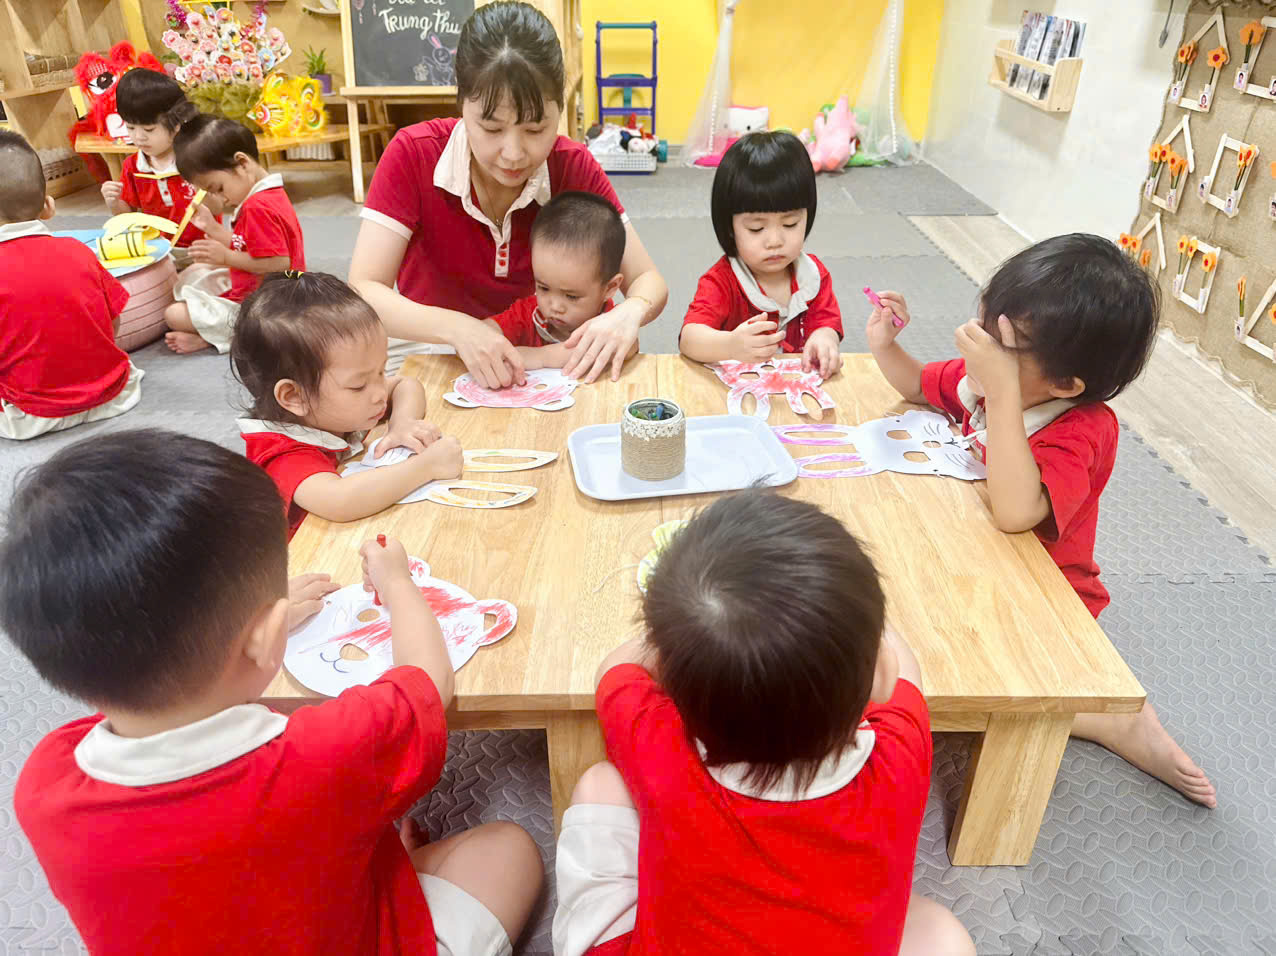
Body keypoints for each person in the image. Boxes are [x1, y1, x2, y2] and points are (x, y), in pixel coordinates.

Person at [2, 429, 543, 955]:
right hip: (353, 927)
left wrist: (244, 616)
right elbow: (427, 681)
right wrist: (398, 580)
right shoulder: (327, 751)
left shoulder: (42, 785)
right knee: (508, 849)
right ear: (266, 638)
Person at [866, 233, 1217, 808]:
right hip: (978, 567)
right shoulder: (990, 381)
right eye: (981, 321)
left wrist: (1001, 396)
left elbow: (1015, 512)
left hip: (1045, 602)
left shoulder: (1081, 429)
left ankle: (1110, 714)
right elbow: (916, 384)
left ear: (1063, 385)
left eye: (997, 343)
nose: (973, 345)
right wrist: (884, 344)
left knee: (915, 671)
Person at [553, 489, 974, 956]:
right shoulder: (900, 756)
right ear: (879, 675)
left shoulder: (659, 747)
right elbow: (903, 675)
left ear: (671, 685)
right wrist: (848, 616)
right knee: (942, 932)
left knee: (601, 783)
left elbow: (615, 670)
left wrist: (679, 630)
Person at [348, 0, 667, 386]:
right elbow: (364, 289)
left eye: (535, 130)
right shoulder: (414, 153)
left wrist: (629, 313)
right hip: (432, 348)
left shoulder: (571, 164)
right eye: (492, 129)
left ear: (560, 110)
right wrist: (460, 329)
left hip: (538, 353)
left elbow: (647, 278)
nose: (514, 154)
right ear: (461, 105)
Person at [231, 271, 462, 537]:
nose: (377, 393)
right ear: (294, 397)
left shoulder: (332, 408)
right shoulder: (283, 454)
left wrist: (402, 424)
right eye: (358, 385)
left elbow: (405, 385)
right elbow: (341, 501)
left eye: (380, 371)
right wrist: (427, 466)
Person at [0, 130, 144, 440]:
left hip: (30, 415)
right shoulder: (78, 250)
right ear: (49, 206)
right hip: (113, 393)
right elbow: (112, 321)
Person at [679, 131, 843, 377]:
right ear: (730, 228)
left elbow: (827, 324)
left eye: (790, 224)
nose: (775, 241)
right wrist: (730, 345)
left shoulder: (813, 275)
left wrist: (824, 338)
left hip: (797, 393)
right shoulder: (722, 281)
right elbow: (689, 339)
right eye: (756, 228)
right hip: (738, 398)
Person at [164, 111, 305, 354]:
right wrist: (214, 230)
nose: (221, 198)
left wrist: (226, 258)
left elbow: (280, 262)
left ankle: (223, 337)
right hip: (273, 290)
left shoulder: (257, 207)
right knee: (195, 273)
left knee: (174, 314)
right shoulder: (267, 193)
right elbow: (252, 244)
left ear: (242, 163)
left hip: (268, 304)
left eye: (218, 188)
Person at [485, 191, 632, 371]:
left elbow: (628, 346)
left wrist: (541, 357)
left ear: (610, 288)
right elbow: (481, 333)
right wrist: (479, 340)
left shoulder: (610, 320)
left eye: (571, 296)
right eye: (544, 288)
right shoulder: (529, 313)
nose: (555, 306)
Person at [101, 69, 224, 262]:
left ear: (176, 124)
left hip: (206, 250)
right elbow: (128, 217)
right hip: (159, 252)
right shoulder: (133, 166)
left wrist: (202, 188)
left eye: (149, 129)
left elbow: (217, 209)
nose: (139, 137)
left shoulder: (197, 158)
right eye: (130, 128)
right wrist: (114, 203)